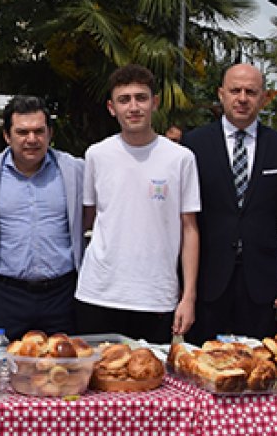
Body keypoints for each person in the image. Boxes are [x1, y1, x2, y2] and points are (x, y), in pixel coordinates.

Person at [183, 63, 277, 343]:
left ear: (263, 98)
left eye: (251, 92)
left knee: (258, 370)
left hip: (261, 284)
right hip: (207, 280)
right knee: (200, 368)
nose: (242, 98)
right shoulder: (194, 145)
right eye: (235, 90)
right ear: (221, 94)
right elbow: (183, 219)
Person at [75, 65, 200, 343]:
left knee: (152, 382)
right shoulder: (96, 155)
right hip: (99, 293)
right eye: (124, 99)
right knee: (97, 381)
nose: (133, 107)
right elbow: (89, 216)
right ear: (111, 107)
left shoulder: (181, 159)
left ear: (154, 103)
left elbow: (190, 229)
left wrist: (188, 296)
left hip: (155, 296)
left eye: (141, 98)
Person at [0, 95, 84, 340]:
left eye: (39, 131)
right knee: (8, 371)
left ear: (50, 133)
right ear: (7, 135)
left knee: (63, 372)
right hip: (8, 295)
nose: (32, 139)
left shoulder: (74, 170)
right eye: (22, 132)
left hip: (62, 294)